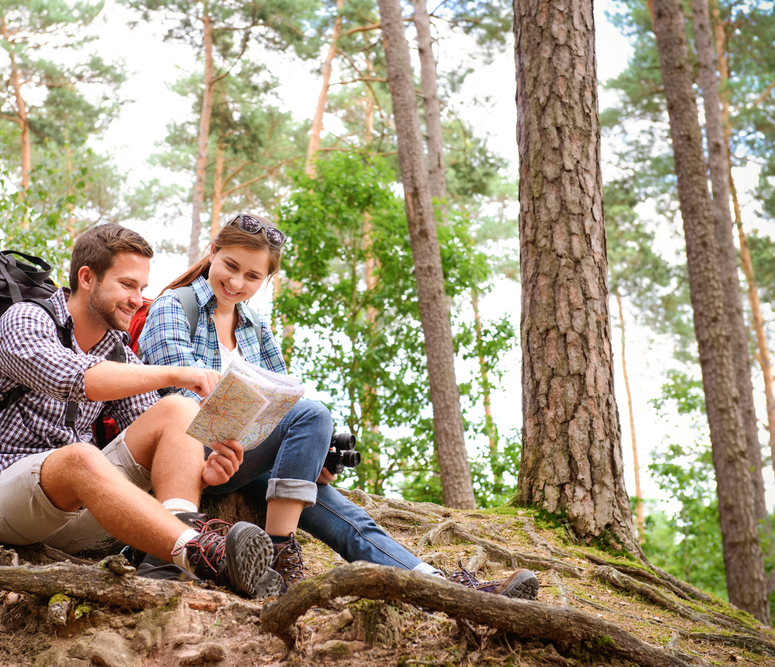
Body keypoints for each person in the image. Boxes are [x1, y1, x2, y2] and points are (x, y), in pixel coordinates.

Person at [140, 214, 540, 600]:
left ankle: (439, 584)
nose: (236, 281)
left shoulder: (256, 327)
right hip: (194, 458)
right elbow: (178, 404)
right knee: (313, 414)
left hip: (248, 457)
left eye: (253, 276)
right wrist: (294, 434)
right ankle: (279, 555)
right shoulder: (174, 307)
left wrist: (312, 455)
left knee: (346, 514)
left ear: (267, 280)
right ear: (212, 252)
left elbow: (283, 399)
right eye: (230, 265)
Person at [0, 223, 276, 599]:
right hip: (0, 499)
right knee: (79, 457)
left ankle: (170, 564)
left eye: (142, 289)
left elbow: (161, 438)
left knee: (178, 409)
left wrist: (204, 473)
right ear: (87, 277)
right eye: (127, 285)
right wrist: (176, 372)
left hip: (80, 509)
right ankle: (202, 555)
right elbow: (74, 378)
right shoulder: (27, 320)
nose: (138, 299)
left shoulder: (117, 351)